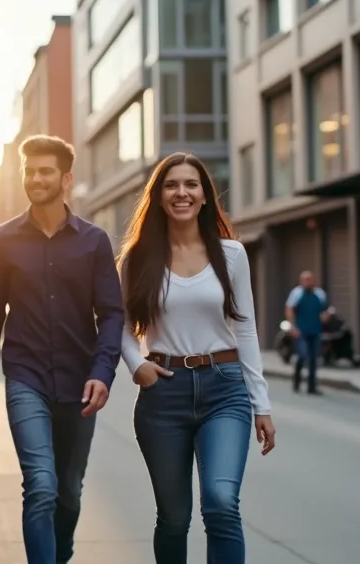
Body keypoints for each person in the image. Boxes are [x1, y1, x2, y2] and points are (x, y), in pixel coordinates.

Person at [0, 135, 124, 564]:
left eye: (46, 171)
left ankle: (60, 553)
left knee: (68, 491)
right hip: (26, 376)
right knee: (41, 485)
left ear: (66, 179)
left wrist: (103, 372)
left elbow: (111, 314)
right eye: (30, 171)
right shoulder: (3, 239)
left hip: (80, 382)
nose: (36, 179)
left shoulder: (94, 241)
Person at [117, 153, 276, 564]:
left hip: (225, 390)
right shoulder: (138, 259)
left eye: (191, 184)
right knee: (173, 518)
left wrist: (261, 404)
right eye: (171, 185)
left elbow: (246, 330)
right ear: (158, 196)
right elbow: (120, 326)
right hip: (163, 394)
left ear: (205, 196)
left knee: (221, 502)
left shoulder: (232, 254)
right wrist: (137, 365)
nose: (181, 192)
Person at [286, 270, 328, 395]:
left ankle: (312, 387)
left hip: (315, 329)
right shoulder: (296, 293)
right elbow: (289, 309)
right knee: (302, 355)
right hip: (301, 331)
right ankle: (296, 381)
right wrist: (293, 326)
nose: (308, 282)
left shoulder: (320, 294)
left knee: (314, 358)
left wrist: (325, 316)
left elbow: (323, 310)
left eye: (310, 279)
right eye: (306, 280)